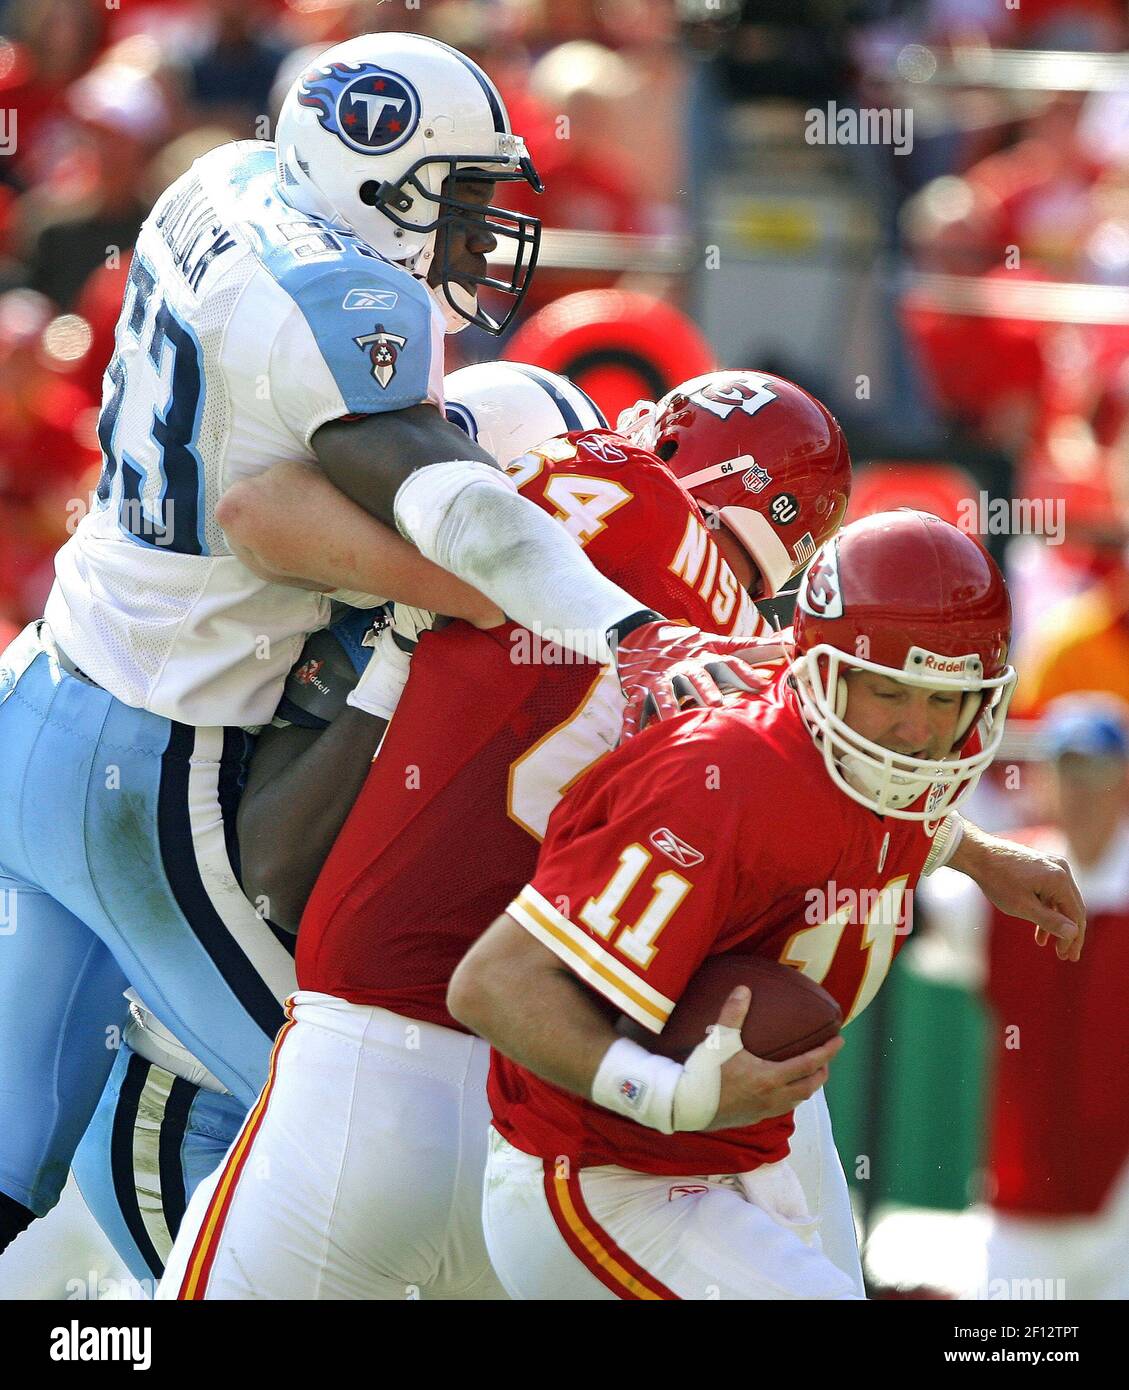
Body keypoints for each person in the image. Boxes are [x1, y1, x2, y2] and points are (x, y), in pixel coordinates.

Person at [0, 31, 733, 1261]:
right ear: (373, 182)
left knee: (13, 1153)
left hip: (39, 692)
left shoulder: (223, 182)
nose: (473, 239)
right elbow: (436, 501)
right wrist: (620, 624)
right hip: (148, 758)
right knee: (322, 1096)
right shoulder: (344, 299)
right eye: (455, 202)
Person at [156, 367, 852, 1300]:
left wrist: (425, 600)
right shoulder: (761, 685)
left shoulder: (610, 484)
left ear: (678, 444)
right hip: (538, 1113)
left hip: (369, 1066)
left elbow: (258, 508)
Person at [447, 511, 1086, 1300]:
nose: (916, 732)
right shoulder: (721, 782)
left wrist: (976, 853)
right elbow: (492, 985)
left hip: (743, 1152)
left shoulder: (863, 755)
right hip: (608, 1177)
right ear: (821, 671)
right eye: (888, 691)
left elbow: (864, 798)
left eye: (944, 700)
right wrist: (667, 1091)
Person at [923, 692, 1129, 1300]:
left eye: (1094, 770)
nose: (1079, 789)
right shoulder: (1005, 881)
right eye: (1065, 770)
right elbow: (902, 914)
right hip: (1021, 1188)